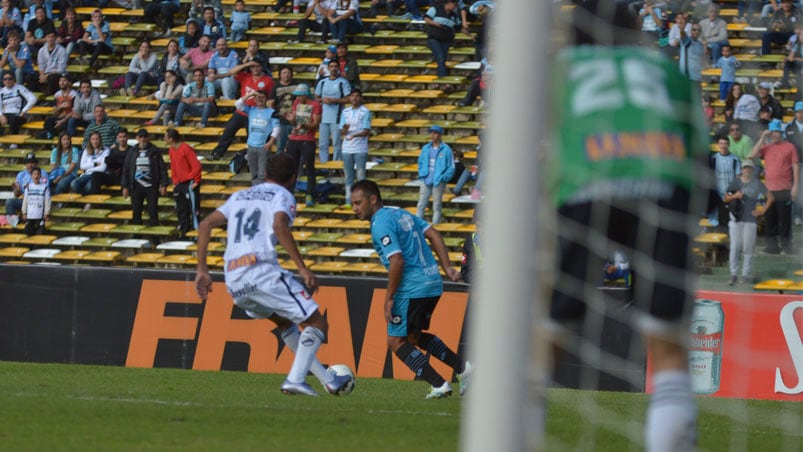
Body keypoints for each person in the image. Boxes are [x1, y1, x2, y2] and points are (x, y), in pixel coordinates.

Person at [551, 2, 703, 449]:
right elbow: (695, 154)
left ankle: (511, 424)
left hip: (587, 183)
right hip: (662, 189)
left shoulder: (561, 69)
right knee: (668, 343)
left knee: (547, 332)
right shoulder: (666, 70)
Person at [194, 153, 354, 397]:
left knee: (285, 323)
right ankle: (296, 379)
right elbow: (280, 224)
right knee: (317, 323)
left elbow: (205, 224)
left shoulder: (239, 195)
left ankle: (329, 380)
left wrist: (202, 270)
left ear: (266, 173)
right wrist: (302, 267)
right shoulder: (282, 195)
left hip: (234, 279)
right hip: (261, 271)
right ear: (293, 177)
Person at [349, 179, 471, 398]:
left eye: (358, 203)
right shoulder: (400, 213)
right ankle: (464, 369)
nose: (354, 209)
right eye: (353, 204)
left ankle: (439, 384)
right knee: (413, 337)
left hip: (412, 287)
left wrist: (389, 298)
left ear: (373, 199)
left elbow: (397, 260)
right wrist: (448, 270)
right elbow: (433, 233)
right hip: (432, 282)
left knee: (395, 342)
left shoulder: (380, 224)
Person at [749, 120, 800, 254]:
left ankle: (786, 246)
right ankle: (772, 247)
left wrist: (795, 186)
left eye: (777, 132)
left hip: (784, 189)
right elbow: (752, 156)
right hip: (769, 190)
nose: (775, 135)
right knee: (770, 218)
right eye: (773, 132)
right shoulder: (767, 147)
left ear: (781, 133)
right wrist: (763, 138)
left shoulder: (790, 147)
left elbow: (795, 167)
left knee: (784, 220)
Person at [209, 58, 273, 160]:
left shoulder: (268, 80)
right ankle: (217, 153)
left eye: (257, 66)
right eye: (252, 67)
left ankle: (252, 158)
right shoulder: (245, 76)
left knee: (252, 137)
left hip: (255, 113)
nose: (255, 69)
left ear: (262, 67)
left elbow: (270, 98)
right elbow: (232, 72)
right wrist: (246, 64)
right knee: (228, 131)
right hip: (241, 111)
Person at [724, 159, 775, 285]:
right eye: (745, 168)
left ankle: (745, 275)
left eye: (749, 168)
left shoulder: (757, 183)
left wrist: (762, 211)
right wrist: (735, 196)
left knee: (748, 249)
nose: (747, 170)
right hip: (735, 218)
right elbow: (725, 198)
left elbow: (770, 197)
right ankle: (733, 274)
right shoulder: (736, 182)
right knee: (734, 248)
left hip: (750, 219)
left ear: (752, 170)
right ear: (742, 169)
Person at [121, 129, 168, 226]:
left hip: (151, 186)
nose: (143, 139)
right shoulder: (132, 151)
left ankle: (155, 238)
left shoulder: (155, 151)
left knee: (153, 211)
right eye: (140, 137)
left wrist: (164, 184)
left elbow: (162, 169)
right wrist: (125, 186)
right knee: (136, 212)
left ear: (148, 138)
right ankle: (137, 236)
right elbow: (126, 169)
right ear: (137, 138)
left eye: (145, 137)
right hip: (136, 187)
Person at [285, 83, 321, 207]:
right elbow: (295, 119)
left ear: (306, 95)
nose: (298, 98)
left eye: (300, 96)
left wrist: (303, 124)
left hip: (308, 139)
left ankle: (310, 193)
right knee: (291, 167)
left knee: (309, 168)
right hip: (295, 138)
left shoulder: (315, 105)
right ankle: (289, 193)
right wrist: (291, 120)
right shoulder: (296, 103)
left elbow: (315, 123)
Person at [235, 89, 280, 185]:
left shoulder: (271, 112)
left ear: (266, 99)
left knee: (262, 173)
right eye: (258, 97)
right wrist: (251, 94)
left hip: (264, 146)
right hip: (251, 145)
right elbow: (238, 104)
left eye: (263, 97)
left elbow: (276, 128)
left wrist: (271, 142)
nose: (260, 99)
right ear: (254, 99)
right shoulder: (251, 110)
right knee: (253, 173)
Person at [165, 128, 201, 238]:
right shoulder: (171, 150)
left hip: (189, 183)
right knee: (181, 209)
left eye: (165, 137)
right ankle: (184, 231)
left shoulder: (186, 149)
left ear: (171, 138)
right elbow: (173, 166)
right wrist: (175, 181)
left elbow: (196, 165)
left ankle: (196, 233)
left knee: (193, 209)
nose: (164, 139)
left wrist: (196, 181)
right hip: (180, 184)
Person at [416, 125, 455, 225]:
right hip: (426, 179)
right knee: (421, 205)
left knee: (436, 206)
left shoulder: (446, 149)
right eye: (431, 133)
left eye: (435, 133)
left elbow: (451, 167)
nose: (433, 135)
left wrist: (444, 178)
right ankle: (417, 225)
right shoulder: (426, 148)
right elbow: (420, 162)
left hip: (438, 181)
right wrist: (422, 174)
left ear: (440, 135)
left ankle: (435, 226)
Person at [314, 59, 351, 162]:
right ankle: (324, 164)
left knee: (336, 143)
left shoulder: (343, 82)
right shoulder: (322, 82)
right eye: (331, 66)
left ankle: (336, 165)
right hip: (323, 117)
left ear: (338, 68)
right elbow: (316, 97)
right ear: (328, 68)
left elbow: (348, 99)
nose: (333, 68)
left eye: (336, 66)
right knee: (322, 144)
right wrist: (323, 100)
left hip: (337, 117)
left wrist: (334, 100)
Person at [339, 88, 371, 206]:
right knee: (348, 175)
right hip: (347, 147)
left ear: (361, 98)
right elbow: (341, 131)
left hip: (360, 148)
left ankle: (362, 200)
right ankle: (349, 199)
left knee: (361, 175)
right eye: (352, 96)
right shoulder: (345, 112)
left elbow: (366, 130)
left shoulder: (365, 111)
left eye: (357, 96)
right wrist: (345, 130)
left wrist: (354, 135)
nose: (355, 98)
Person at [709, 136, 742, 228]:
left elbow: (738, 177)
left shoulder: (735, 159)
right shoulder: (713, 158)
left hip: (730, 194)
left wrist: (731, 192)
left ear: (729, 144)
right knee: (717, 221)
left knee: (731, 221)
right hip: (717, 194)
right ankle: (717, 240)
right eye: (721, 143)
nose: (723, 146)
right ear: (718, 145)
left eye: (725, 143)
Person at [5, 153, 47, 223]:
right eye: (27, 163)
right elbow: (17, 194)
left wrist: (31, 188)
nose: (30, 165)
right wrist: (17, 191)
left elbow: (45, 190)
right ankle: (15, 222)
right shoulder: (21, 175)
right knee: (9, 202)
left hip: (37, 201)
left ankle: (28, 220)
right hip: (25, 201)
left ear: (36, 163)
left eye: (32, 163)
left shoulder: (42, 173)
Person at [89, 128, 129, 197]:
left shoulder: (132, 150)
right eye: (120, 137)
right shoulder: (113, 150)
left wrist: (116, 162)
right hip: (113, 176)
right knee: (95, 175)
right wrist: (120, 162)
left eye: (124, 137)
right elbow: (107, 161)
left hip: (125, 178)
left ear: (127, 137)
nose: (122, 139)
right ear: (117, 138)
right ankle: (94, 200)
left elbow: (128, 165)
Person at [424, 0, 460, 77]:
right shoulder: (435, 9)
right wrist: (437, 25)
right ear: (448, 2)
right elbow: (427, 19)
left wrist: (470, 35)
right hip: (434, 38)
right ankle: (443, 79)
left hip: (446, 40)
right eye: (454, 4)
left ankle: (443, 78)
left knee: (443, 59)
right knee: (441, 58)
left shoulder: (454, 15)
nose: (455, 6)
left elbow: (459, 27)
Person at [70, 131, 109, 196]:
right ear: (90, 140)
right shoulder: (86, 150)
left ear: (100, 140)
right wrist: (95, 164)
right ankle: (87, 199)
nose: (95, 141)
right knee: (73, 184)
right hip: (86, 175)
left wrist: (88, 168)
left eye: (97, 139)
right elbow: (82, 166)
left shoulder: (106, 150)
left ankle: (87, 201)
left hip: (97, 176)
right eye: (93, 139)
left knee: (89, 187)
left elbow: (103, 168)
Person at [271, 65, 297, 154]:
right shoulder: (275, 87)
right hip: (281, 120)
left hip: (295, 120)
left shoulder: (296, 86)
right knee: (280, 146)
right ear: (280, 75)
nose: (286, 75)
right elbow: (271, 103)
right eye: (284, 73)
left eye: (288, 73)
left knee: (295, 147)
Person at [0, 72, 36, 137]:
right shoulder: (1, 91)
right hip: (5, 115)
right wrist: (1, 115)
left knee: (13, 119)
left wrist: (24, 110)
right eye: (5, 79)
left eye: (9, 79)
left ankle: (14, 142)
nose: (7, 81)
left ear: (14, 80)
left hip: (19, 115)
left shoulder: (20, 88)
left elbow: (33, 99)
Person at [21, 166, 49, 236]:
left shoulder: (44, 188)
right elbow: (25, 201)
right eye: (34, 174)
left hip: (40, 216)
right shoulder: (28, 187)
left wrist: (46, 213)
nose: (36, 176)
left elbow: (47, 201)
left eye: (38, 174)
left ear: (40, 176)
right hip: (30, 215)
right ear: (31, 176)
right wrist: (24, 212)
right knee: (28, 234)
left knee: (39, 235)